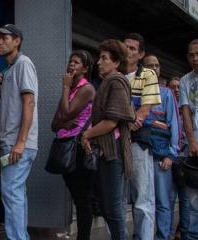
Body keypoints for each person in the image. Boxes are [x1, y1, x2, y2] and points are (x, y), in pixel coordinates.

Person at [81, 39, 135, 240]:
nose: (98, 62)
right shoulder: (107, 83)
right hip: (106, 153)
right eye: (100, 57)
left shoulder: (117, 82)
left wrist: (86, 134)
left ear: (116, 62)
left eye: (104, 58)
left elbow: (111, 121)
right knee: (108, 207)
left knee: (113, 210)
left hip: (114, 155)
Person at [0, 24, 38, 240]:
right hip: (10, 143)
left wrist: (21, 142)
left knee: (11, 194)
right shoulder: (9, 69)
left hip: (18, 144)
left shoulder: (23, 64)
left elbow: (29, 102)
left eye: (5, 37)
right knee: (16, 194)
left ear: (17, 40)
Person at [51, 50, 95, 240]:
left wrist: (65, 88)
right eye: (70, 61)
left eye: (77, 63)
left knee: (81, 198)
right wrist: (63, 122)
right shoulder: (69, 89)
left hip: (78, 147)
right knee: (77, 194)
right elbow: (55, 124)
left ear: (85, 69)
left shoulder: (87, 89)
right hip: (64, 145)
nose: (71, 65)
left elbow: (67, 113)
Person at [124, 33, 161, 240]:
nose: (128, 52)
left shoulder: (147, 74)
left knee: (143, 200)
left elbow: (144, 111)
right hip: (117, 143)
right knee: (117, 200)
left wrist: (126, 123)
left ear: (141, 54)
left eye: (132, 49)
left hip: (138, 142)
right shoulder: (116, 73)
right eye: (125, 47)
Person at [143, 54, 180, 240]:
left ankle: (163, 236)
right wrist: (156, 123)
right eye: (150, 66)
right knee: (143, 202)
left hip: (161, 157)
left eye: (157, 65)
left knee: (163, 202)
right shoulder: (138, 93)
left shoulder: (166, 94)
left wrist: (171, 155)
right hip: (142, 155)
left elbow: (174, 124)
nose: (155, 69)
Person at [179, 39, 198, 239]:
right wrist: (192, 139)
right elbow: (185, 113)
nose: (195, 58)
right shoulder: (185, 80)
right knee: (195, 205)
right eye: (191, 54)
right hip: (195, 149)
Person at [167, 76, 189, 240]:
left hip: (185, 161)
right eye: (173, 87)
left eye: (178, 87)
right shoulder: (167, 108)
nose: (176, 90)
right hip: (169, 160)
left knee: (185, 199)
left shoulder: (187, 111)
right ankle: (167, 233)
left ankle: (182, 232)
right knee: (168, 199)